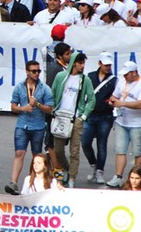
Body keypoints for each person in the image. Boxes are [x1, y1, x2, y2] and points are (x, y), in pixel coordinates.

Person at [5, 60, 53, 195]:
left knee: (37, 156)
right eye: (34, 71)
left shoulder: (44, 88)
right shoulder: (19, 87)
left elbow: (50, 109)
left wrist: (37, 105)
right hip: (22, 125)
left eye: (38, 71)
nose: (37, 73)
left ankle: (36, 184)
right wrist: (24, 108)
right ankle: (13, 183)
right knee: (19, 153)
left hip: (38, 127)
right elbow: (13, 107)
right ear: (27, 72)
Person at [51, 52, 96, 188]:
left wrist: (83, 116)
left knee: (74, 151)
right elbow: (53, 93)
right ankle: (66, 168)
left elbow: (91, 99)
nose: (82, 66)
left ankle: (71, 177)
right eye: (80, 63)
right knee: (58, 150)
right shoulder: (61, 77)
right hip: (61, 116)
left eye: (84, 63)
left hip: (76, 118)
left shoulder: (85, 80)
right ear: (74, 63)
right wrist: (54, 110)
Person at [107, 61, 141, 188]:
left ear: (134, 73)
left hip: (137, 123)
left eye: (127, 74)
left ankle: (138, 176)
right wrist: (113, 101)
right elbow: (114, 96)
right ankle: (118, 176)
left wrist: (122, 103)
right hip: (122, 121)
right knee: (120, 150)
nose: (125, 77)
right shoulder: (122, 83)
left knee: (137, 151)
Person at [81, 52, 117, 184]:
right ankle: (93, 164)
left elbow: (116, 95)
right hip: (90, 115)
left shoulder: (113, 80)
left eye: (109, 65)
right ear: (99, 64)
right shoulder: (90, 77)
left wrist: (111, 101)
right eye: (105, 64)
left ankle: (100, 171)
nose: (108, 67)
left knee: (102, 144)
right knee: (85, 142)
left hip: (105, 116)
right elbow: (83, 93)